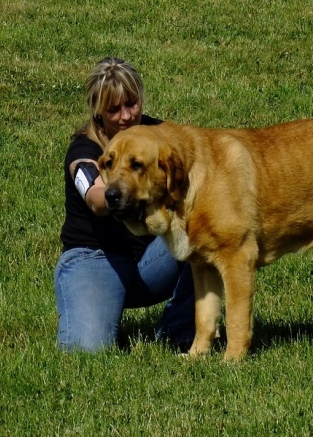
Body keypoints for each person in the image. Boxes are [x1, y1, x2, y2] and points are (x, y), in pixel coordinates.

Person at [54, 57, 195, 352]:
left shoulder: (158, 135)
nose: (125, 116)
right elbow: (95, 197)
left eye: (131, 104)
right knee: (88, 350)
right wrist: (126, 188)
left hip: (150, 262)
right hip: (94, 259)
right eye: (113, 109)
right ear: (97, 111)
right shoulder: (83, 150)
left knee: (202, 224)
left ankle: (178, 329)